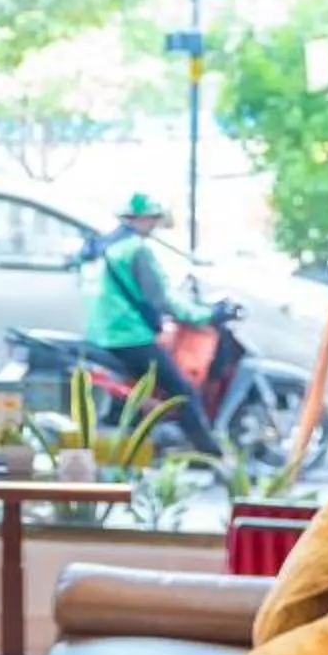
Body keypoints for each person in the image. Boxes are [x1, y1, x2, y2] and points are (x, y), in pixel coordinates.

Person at [88, 193, 224, 457]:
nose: (154, 225)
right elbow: (160, 298)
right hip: (128, 337)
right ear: (141, 219)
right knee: (183, 393)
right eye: (152, 219)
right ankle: (209, 455)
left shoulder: (105, 246)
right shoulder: (136, 249)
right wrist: (204, 316)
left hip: (101, 334)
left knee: (141, 391)